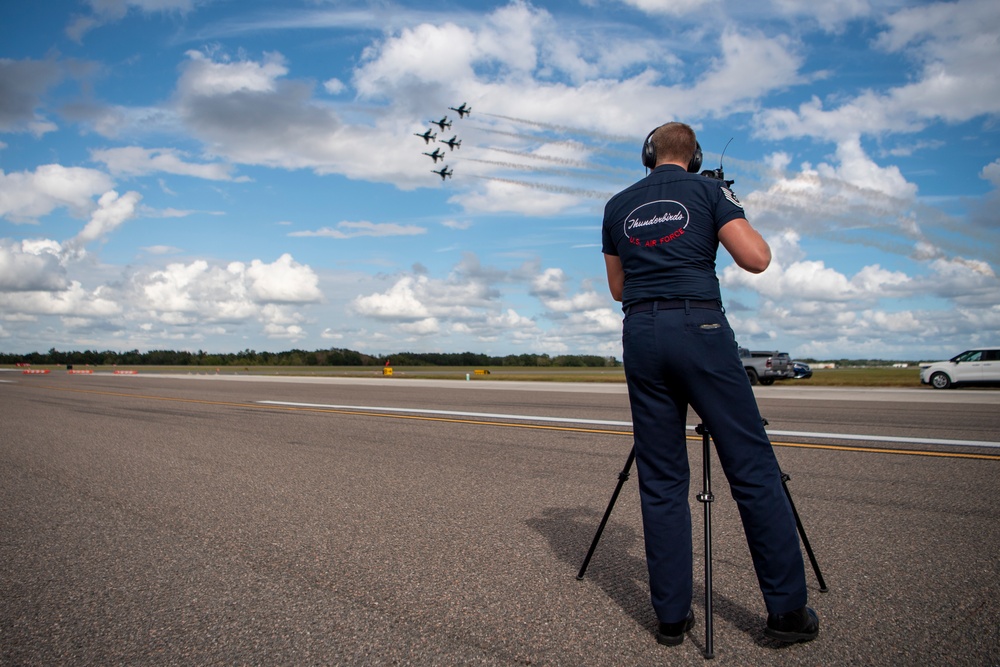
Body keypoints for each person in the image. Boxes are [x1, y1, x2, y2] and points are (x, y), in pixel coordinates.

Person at [601, 122, 819, 647]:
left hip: (642, 331)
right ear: (694, 156)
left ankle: (671, 619)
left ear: (647, 154)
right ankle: (786, 613)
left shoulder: (616, 205)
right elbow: (757, 258)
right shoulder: (709, 190)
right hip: (698, 325)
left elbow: (617, 288)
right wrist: (729, 204)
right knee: (750, 466)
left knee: (661, 476)